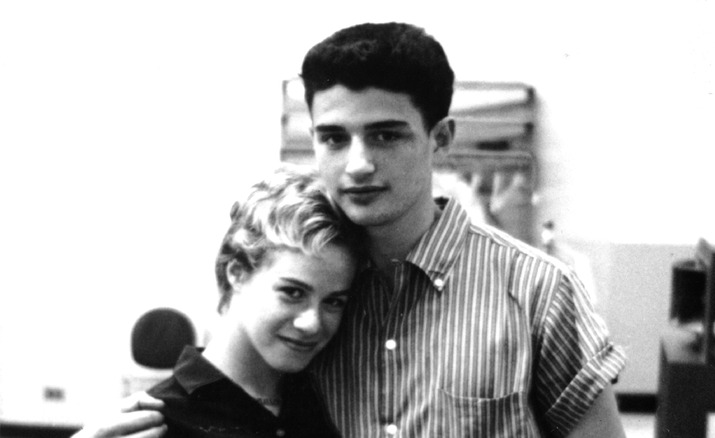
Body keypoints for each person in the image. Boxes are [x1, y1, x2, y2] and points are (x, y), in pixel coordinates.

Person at [74, 22, 627, 437]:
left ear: (440, 139)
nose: (357, 164)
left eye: (386, 136)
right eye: (334, 138)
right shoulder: (311, 286)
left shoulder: (537, 290)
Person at [80, 166, 360, 438]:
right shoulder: (155, 423)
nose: (312, 323)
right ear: (237, 272)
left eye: (333, 302)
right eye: (293, 293)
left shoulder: (329, 406)